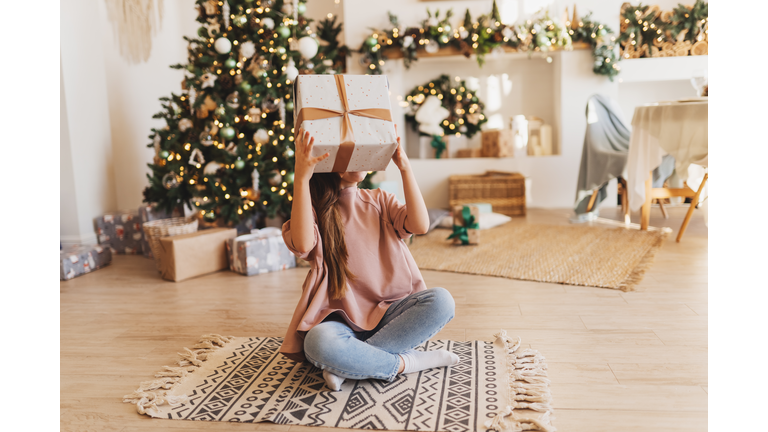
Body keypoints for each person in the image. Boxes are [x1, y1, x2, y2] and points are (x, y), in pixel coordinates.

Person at [280, 126, 459, 391]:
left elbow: (420, 225)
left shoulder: (380, 200)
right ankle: (405, 363)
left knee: (442, 300)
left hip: (390, 312)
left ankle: (350, 364)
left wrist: (405, 168)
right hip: (337, 322)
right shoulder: (312, 212)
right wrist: (301, 178)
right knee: (318, 342)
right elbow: (304, 243)